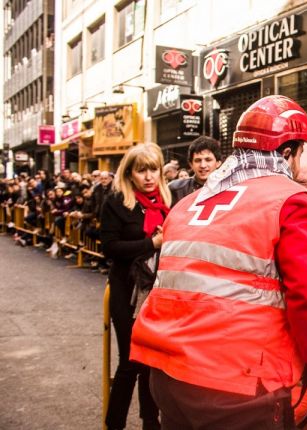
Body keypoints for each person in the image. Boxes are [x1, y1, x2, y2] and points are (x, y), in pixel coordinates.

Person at [130, 95, 307, 430]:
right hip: (238, 385)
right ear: (288, 151)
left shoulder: (188, 204)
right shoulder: (289, 199)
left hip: (168, 375)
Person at [101, 143, 169, 430]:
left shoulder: (167, 200)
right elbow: (110, 247)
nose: (149, 176)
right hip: (126, 291)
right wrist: (150, 243)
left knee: (152, 363)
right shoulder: (116, 201)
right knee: (129, 362)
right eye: (142, 170)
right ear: (130, 174)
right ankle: (114, 423)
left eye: (153, 169)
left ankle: (150, 423)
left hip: (159, 290)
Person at [168, 136, 222, 207]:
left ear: (218, 163)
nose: (203, 165)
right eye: (198, 160)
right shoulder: (175, 190)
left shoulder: (230, 189)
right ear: (191, 164)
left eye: (208, 160)